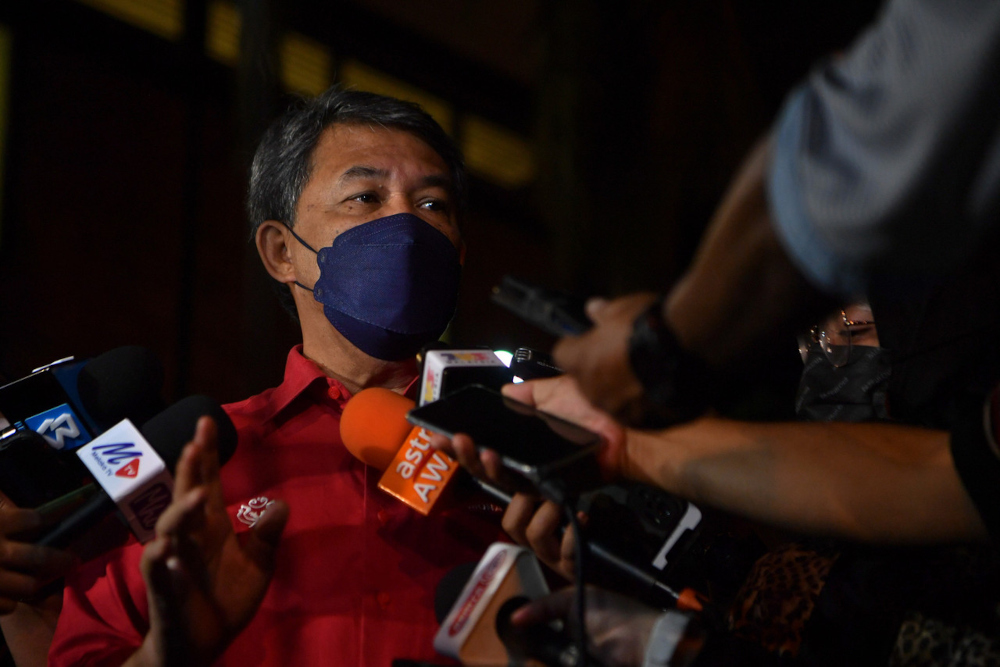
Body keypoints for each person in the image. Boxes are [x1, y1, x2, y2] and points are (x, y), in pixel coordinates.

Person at [47, 88, 502, 666]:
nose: (407, 226)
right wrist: (166, 654)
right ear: (282, 252)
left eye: (433, 204)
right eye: (365, 196)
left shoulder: (514, 461)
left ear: (460, 254)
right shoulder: (181, 466)